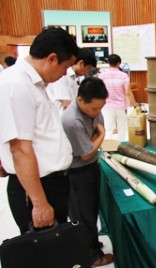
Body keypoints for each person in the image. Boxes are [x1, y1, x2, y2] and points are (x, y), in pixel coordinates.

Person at [0, 27, 78, 233]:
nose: (64, 74)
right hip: (38, 189)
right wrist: (40, 203)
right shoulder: (16, 84)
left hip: (50, 184)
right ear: (52, 59)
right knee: (44, 255)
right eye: (66, 67)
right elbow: (19, 148)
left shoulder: (34, 83)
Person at [61, 77, 114, 267]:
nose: (98, 112)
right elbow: (86, 153)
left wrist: (94, 140)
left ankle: (92, 243)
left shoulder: (93, 109)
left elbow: (92, 144)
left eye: (101, 108)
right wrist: (101, 135)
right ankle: (92, 256)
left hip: (91, 167)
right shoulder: (71, 120)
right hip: (77, 173)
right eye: (94, 109)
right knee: (82, 215)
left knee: (91, 211)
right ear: (80, 100)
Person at [47, 48, 97, 117]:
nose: (87, 72)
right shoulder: (63, 76)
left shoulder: (72, 78)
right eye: (88, 68)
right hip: (62, 119)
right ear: (81, 63)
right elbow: (66, 103)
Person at [98, 53, 136, 141]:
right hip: (121, 106)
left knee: (108, 129)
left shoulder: (102, 76)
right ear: (119, 63)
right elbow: (127, 92)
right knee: (122, 128)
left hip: (106, 106)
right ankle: (121, 148)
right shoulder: (124, 76)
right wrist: (134, 104)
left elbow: (99, 91)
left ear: (108, 63)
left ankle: (108, 149)